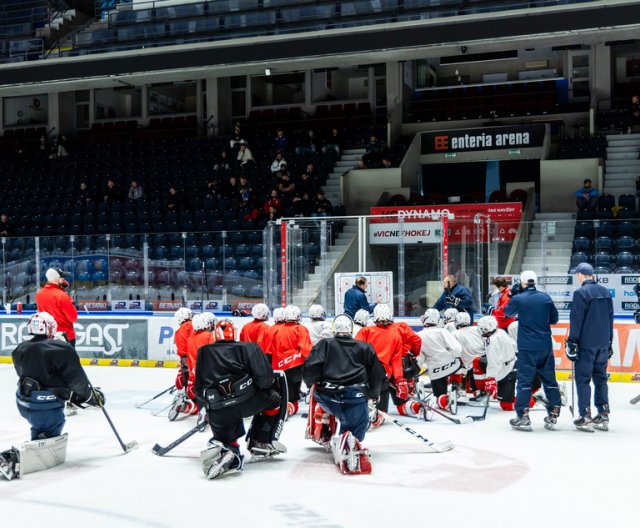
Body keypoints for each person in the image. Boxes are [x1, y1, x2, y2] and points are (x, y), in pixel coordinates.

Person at [0, 313, 104, 481]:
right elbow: (77, 380)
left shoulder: (19, 349)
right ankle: (13, 459)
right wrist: (89, 397)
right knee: (49, 432)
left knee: (42, 425)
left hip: (23, 401)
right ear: (51, 327)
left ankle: (38, 437)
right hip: (45, 406)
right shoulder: (62, 350)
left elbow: (31, 374)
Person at [195, 320, 287, 479]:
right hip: (248, 402)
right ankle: (260, 440)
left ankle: (229, 450)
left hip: (218, 408)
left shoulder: (203, 352)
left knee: (225, 433)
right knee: (275, 400)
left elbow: (199, 388)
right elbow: (266, 379)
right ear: (234, 333)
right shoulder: (249, 347)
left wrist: (206, 409)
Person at [303, 314, 385, 474]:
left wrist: (311, 384)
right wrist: (374, 395)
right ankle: (348, 440)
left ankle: (324, 424)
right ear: (351, 330)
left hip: (326, 396)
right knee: (357, 425)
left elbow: (309, 368)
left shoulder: (324, 344)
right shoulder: (365, 347)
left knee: (323, 401)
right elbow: (376, 374)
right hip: (354, 397)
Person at [503, 270, 561, 431]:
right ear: (534, 282)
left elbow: (507, 312)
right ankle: (554, 412)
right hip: (545, 347)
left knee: (524, 382)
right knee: (550, 381)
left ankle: (523, 416)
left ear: (522, 282)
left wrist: (511, 296)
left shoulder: (519, 298)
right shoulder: (545, 298)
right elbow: (554, 320)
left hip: (527, 348)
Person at [565, 263, 614, 432]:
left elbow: (576, 319)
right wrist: (610, 342)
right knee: (601, 378)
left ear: (580, 275)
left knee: (583, 379)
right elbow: (610, 319)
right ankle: (603, 412)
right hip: (602, 343)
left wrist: (572, 342)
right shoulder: (605, 292)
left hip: (586, 344)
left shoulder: (580, 292)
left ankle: (585, 415)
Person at [355, 304, 406, 423]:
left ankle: (361, 410)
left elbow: (354, 352)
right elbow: (396, 362)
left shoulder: (365, 331)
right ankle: (379, 414)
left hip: (363, 371)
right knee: (382, 401)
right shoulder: (395, 336)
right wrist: (399, 380)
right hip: (382, 373)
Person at [268, 305, 312, 416]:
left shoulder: (277, 329)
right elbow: (306, 350)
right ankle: (290, 407)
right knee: (293, 390)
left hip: (279, 365)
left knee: (283, 389)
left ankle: (282, 406)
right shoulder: (300, 329)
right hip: (295, 365)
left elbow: (271, 349)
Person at [416, 309, 463, 412]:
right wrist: (456, 358)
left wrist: (416, 371)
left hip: (436, 371)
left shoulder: (419, 335)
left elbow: (420, 358)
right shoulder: (443, 331)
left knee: (439, 397)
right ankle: (455, 387)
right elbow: (456, 349)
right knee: (457, 367)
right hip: (453, 366)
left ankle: (445, 401)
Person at [176, 312, 215, 419]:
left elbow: (187, 356)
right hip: (206, 372)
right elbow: (213, 354)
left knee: (196, 392)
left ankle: (192, 405)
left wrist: (185, 372)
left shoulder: (191, 337)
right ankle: (204, 408)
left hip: (193, 372)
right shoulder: (208, 335)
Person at [474, 316, 517, 411]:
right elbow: (514, 346)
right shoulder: (500, 331)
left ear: (486, 328)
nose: (480, 330)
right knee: (478, 361)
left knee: (507, 406)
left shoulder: (492, 341)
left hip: (505, 369)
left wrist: (491, 379)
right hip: (512, 364)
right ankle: (483, 392)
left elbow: (494, 362)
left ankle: (532, 399)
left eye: (482, 328)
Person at [35, 268, 78, 347]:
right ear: (56, 280)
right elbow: (73, 318)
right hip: (65, 337)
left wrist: (61, 289)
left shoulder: (39, 295)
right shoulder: (62, 296)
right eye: (62, 278)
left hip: (47, 338)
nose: (64, 279)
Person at [173, 307, 193, 395]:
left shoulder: (177, 332)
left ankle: (187, 397)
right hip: (191, 358)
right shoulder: (190, 325)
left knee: (187, 381)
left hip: (184, 360)